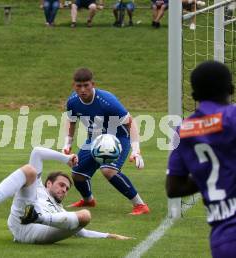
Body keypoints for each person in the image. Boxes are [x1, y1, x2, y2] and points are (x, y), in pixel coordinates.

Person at [0, 147, 131, 244]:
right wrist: (66, 158)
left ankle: (37, 217)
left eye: (67, 189)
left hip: (40, 229)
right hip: (21, 219)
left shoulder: (60, 212)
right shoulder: (37, 186)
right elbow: (37, 152)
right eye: (61, 185)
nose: (64, 190)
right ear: (48, 183)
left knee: (85, 215)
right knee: (29, 170)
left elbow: (81, 231)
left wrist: (109, 235)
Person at [166, 60, 236, 258]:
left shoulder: (184, 130)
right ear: (231, 88)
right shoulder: (233, 117)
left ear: (194, 96)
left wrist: (211, 172)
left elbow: (174, 188)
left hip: (222, 241)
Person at [62, 68, 150, 215]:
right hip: (95, 140)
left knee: (108, 170)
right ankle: (88, 200)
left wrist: (136, 150)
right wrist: (67, 144)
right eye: (79, 86)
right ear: (74, 85)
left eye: (86, 85)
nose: (83, 89)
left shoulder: (108, 101)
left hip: (118, 139)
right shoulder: (72, 102)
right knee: (77, 174)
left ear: (93, 84)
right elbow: (71, 122)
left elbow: (130, 123)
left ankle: (140, 205)